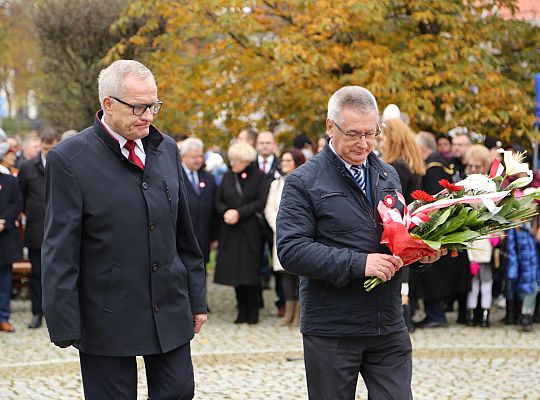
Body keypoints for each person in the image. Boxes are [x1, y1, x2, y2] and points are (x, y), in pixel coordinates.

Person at [41, 60, 207, 399]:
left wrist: (196, 297)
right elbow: (60, 247)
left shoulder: (167, 149)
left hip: (169, 304)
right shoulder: (69, 160)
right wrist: (64, 320)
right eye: (138, 106)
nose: (148, 115)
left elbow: (184, 233)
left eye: (153, 105)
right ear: (108, 104)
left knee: (178, 391)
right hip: (107, 313)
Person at [277, 86, 443, 400]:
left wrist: (420, 253)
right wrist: (360, 264)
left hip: (388, 323)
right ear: (330, 126)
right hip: (333, 328)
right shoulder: (303, 181)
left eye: (371, 133)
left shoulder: (388, 174)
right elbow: (291, 250)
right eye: (354, 134)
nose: (364, 143)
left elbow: (396, 236)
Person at [214, 141, 270, 324]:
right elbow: (219, 199)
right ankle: (241, 310)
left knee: (250, 274)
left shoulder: (260, 177)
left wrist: (240, 212)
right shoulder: (228, 176)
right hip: (231, 232)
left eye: (236, 160)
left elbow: (261, 201)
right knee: (235, 274)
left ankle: (252, 311)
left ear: (246, 160)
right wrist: (226, 212)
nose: (232, 164)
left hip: (250, 232)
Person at [18, 127, 58, 329]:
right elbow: (21, 196)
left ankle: (57, 315)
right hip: (36, 230)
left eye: (52, 147)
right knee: (37, 275)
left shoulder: (63, 164)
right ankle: (37, 313)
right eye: (46, 147)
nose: (49, 151)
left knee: (60, 274)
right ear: (41, 145)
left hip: (60, 230)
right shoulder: (27, 168)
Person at [264, 148, 305, 326]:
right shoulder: (277, 184)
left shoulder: (305, 181)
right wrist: (278, 226)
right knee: (284, 273)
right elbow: (270, 208)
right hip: (281, 233)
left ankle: (300, 312)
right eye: (283, 161)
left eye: (289, 161)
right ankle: (289, 310)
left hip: (301, 233)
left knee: (300, 272)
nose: (285, 164)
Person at [464, 145, 495, 327]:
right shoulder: (465, 186)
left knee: (486, 280)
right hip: (469, 242)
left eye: (478, 166)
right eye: (471, 166)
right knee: (472, 282)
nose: (474, 170)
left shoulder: (491, 187)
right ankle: (471, 313)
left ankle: (484, 314)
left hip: (486, 243)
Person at [181, 137, 218, 273]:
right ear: (183, 157)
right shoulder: (175, 176)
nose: (198, 160)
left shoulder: (208, 178)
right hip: (181, 242)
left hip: (203, 239)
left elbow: (214, 209)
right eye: (193, 157)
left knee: (200, 281)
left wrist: (215, 236)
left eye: (200, 156)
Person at [0, 151, 23, 333]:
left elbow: (17, 204)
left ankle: (3, 317)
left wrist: (4, 221)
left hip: (4, 239)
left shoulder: (10, 181)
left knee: (4, 283)